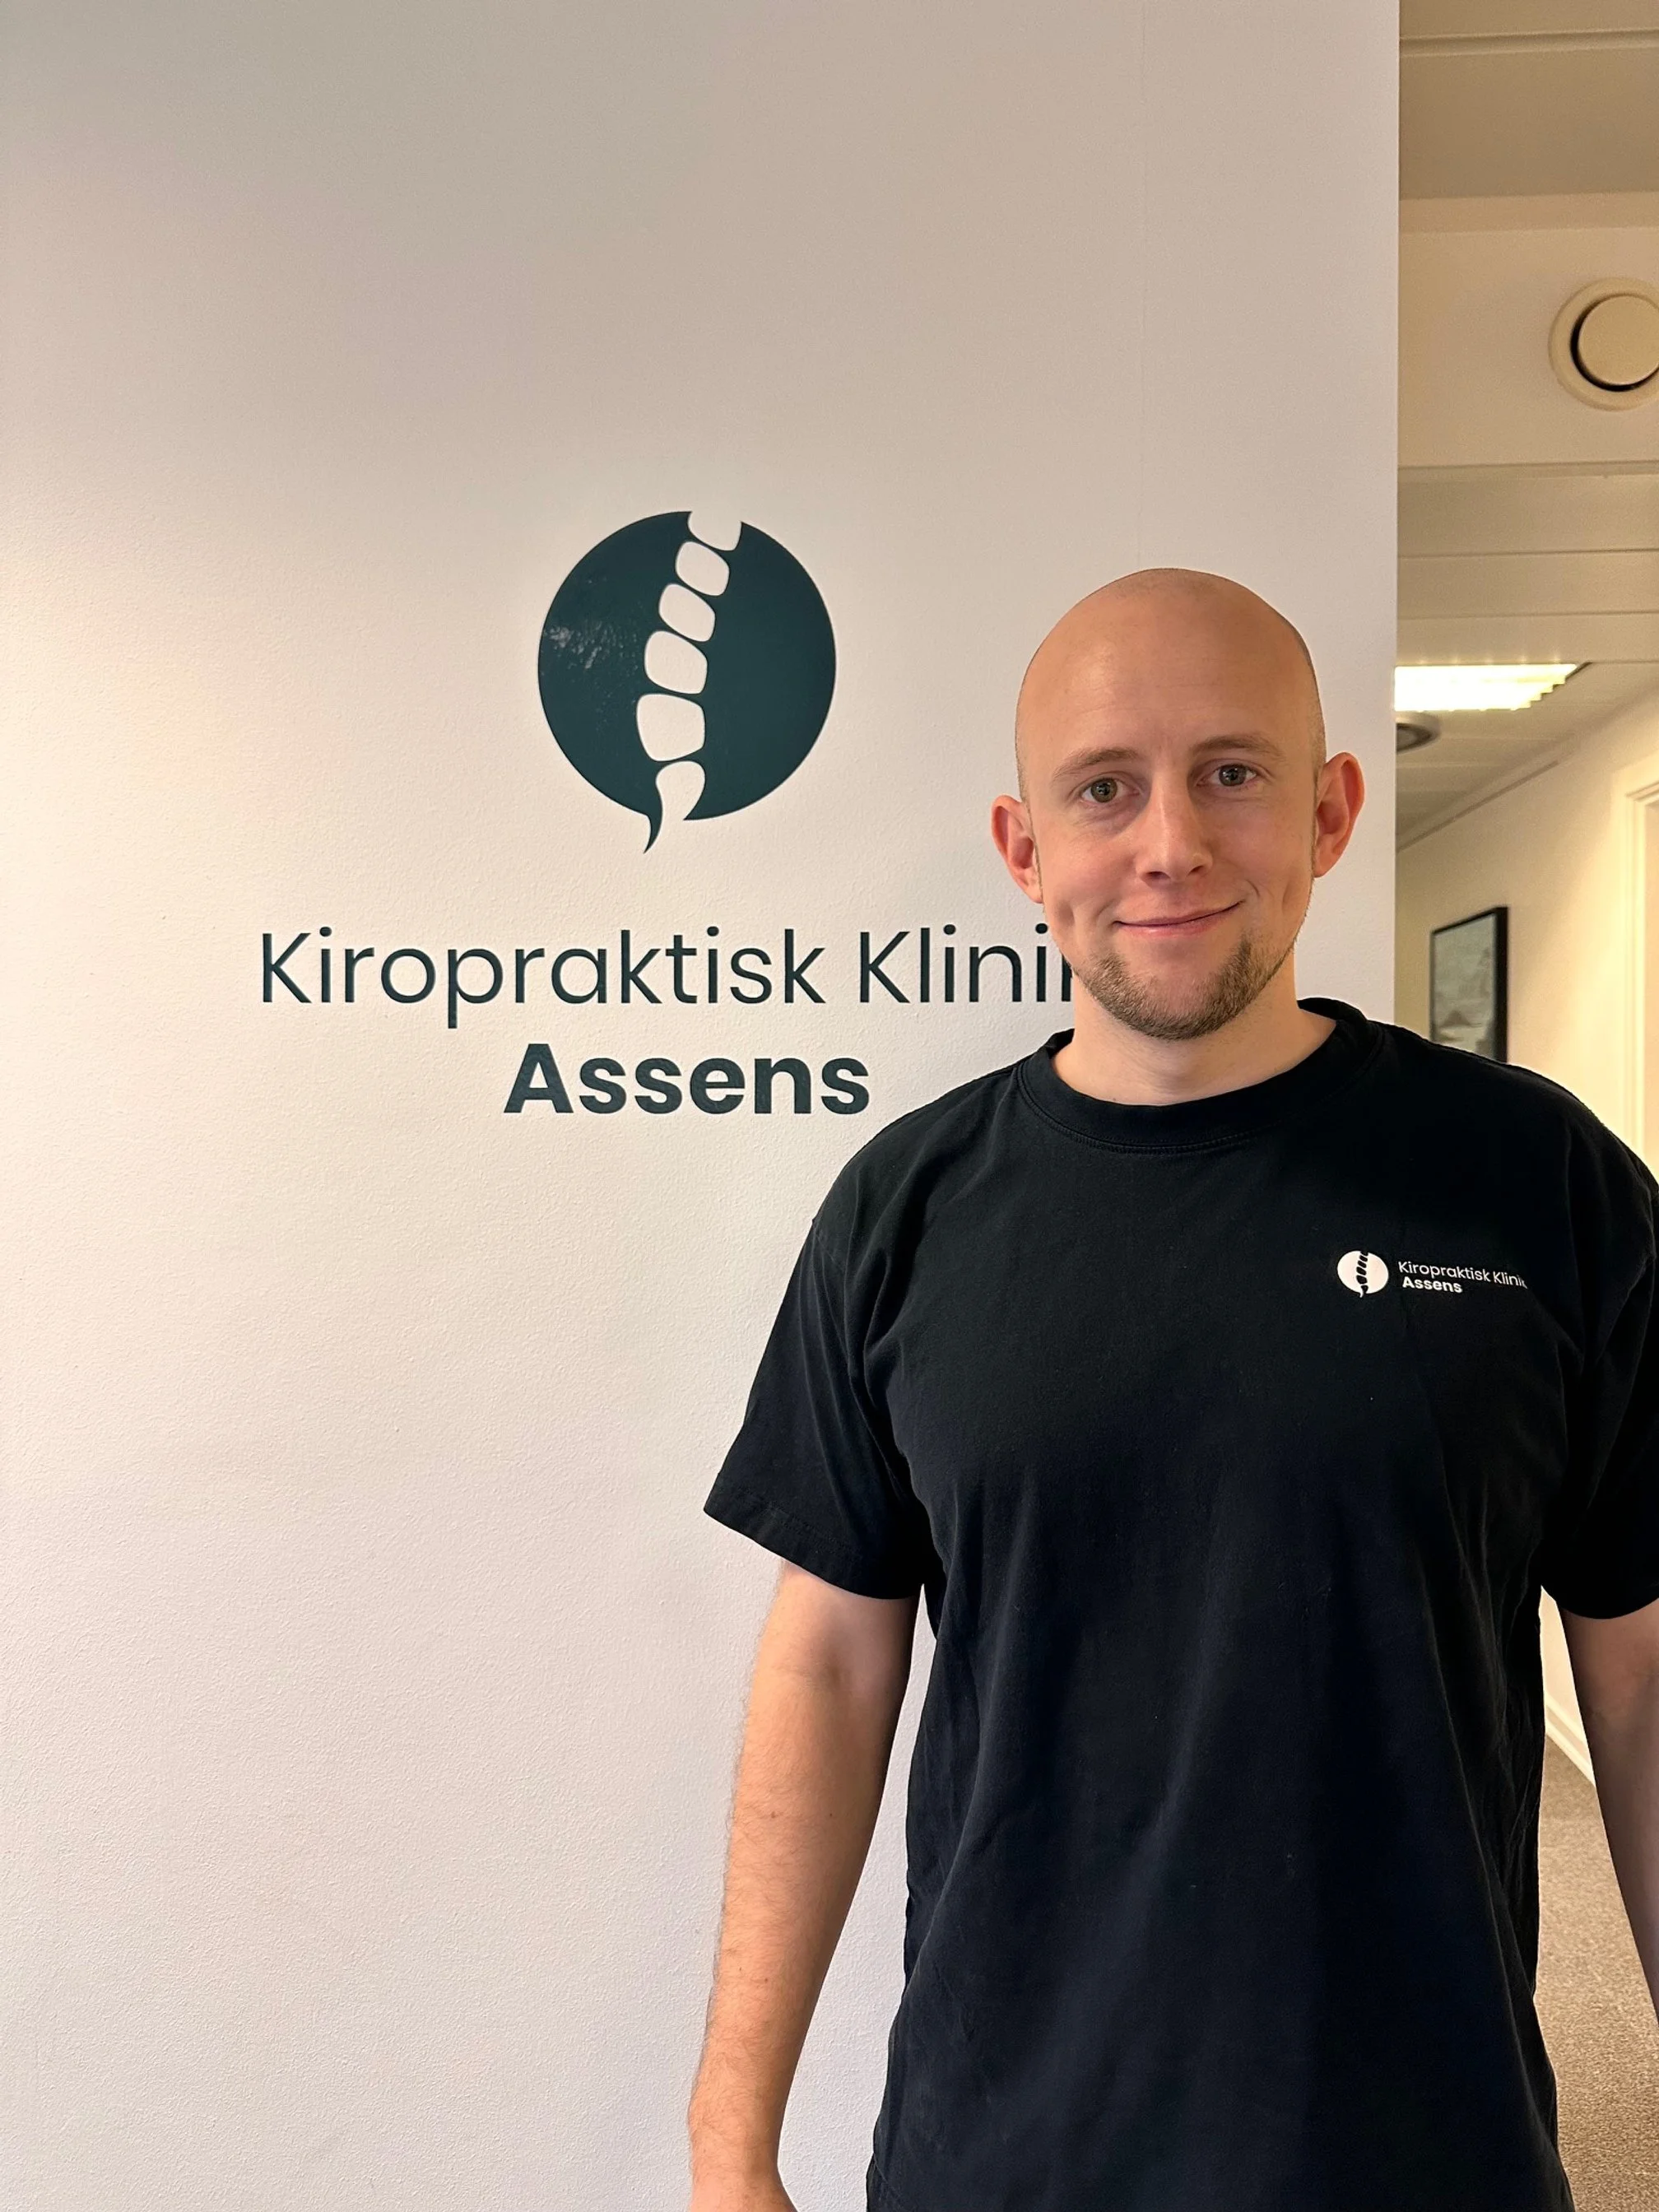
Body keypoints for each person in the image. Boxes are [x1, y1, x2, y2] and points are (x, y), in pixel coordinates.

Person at [686, 569, 1659, 2212]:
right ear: (1024, 850)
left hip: (1421, 2152)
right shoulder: (908, 1211)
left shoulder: (1536, 1184)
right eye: (1103, 789)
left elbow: (1638, 1680)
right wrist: (731, 2140)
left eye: (1230, 772)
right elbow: (833, 1665)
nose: (1169, 844)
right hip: (1005, 2152)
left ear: (1330, 810)